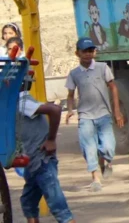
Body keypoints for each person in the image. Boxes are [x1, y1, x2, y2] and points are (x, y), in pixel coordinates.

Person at [65, 37, 124, 192]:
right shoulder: (74, 74)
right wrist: (70, 110)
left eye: (91, 50)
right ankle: (95, 179)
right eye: (84, 51)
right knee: (88, 148)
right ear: (77, 53)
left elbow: (113, 88)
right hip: (85, 116)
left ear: (95, 52)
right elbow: (70, 94)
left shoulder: (103, 67)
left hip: (104, 114)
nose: (88, 54)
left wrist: (117, 111)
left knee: (108, 146)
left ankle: (106, 161)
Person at [19, 82, 76, 223]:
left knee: (59, 208)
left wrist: (51, 139)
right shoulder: (15, 103)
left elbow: (55, 109)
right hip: (32, 162)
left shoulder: (22, 102)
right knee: (28, 203)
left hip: (42, 160)